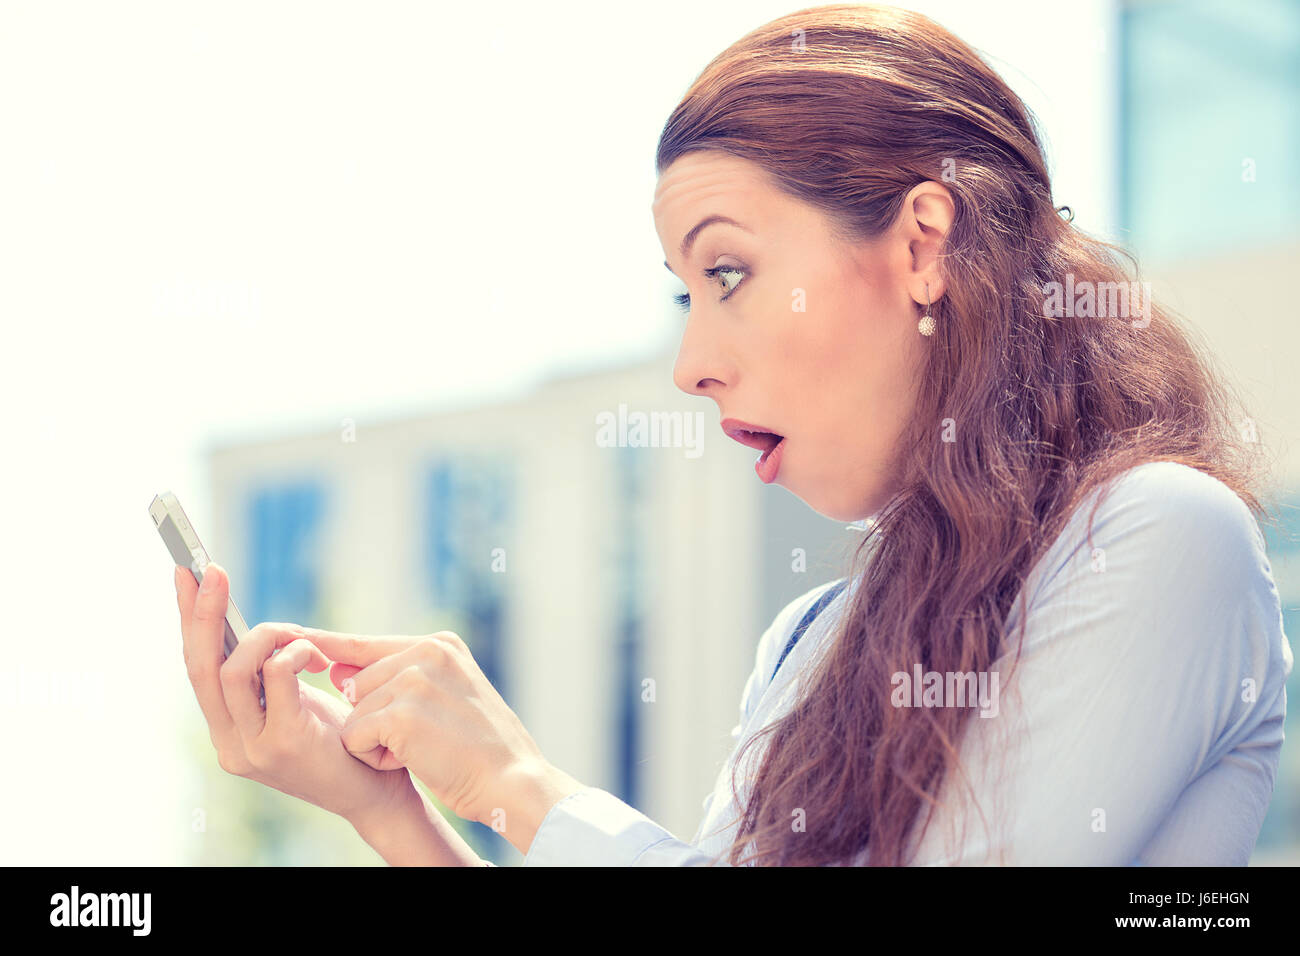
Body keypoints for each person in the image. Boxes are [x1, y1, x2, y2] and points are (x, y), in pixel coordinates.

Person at [175, 3, 1292, 866]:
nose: (691, 362)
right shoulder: (811, 640)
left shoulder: (1158, 538)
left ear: (921, 245)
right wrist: (395, 812)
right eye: (684, 296)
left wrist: (521, 784)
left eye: (728, 272)